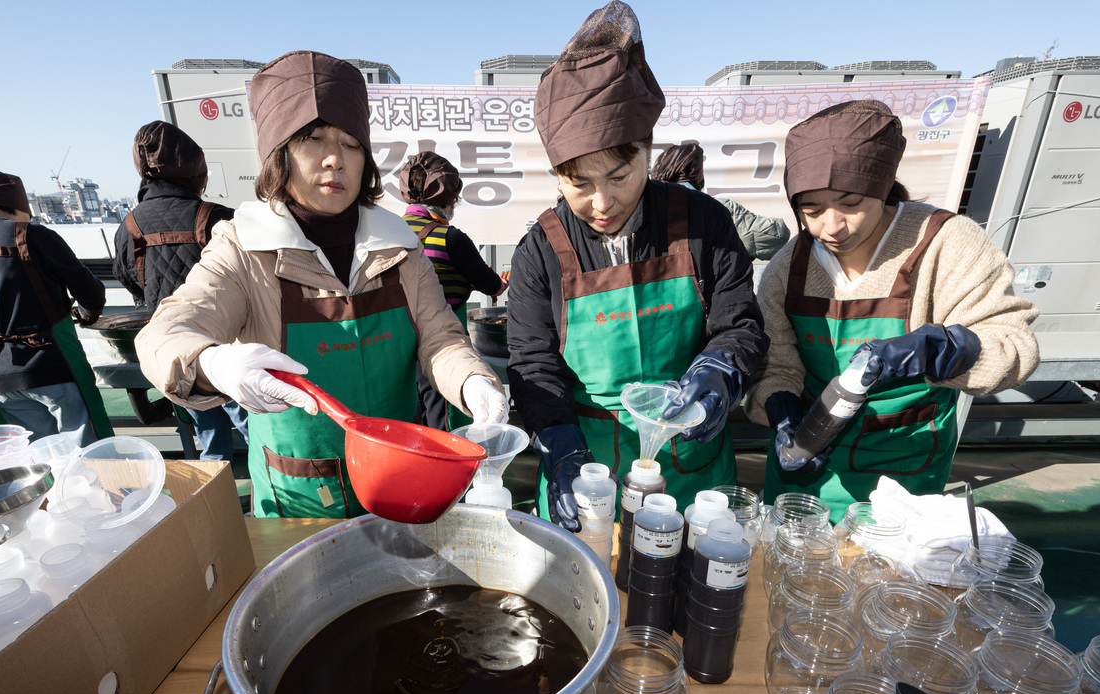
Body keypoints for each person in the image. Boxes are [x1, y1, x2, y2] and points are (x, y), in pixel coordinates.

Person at [136, 50, 507, 519]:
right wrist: (212, 361)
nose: (334, 159)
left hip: (400, 474)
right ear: (280, 154)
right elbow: (163, 335)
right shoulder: (242, 246)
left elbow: (440, 339)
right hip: (300, 489)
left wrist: (474, 382)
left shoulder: (400, 245)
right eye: (313, 140)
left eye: (351, 144)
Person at [506, 1, 769, 531]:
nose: (602, 203)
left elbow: (740, 325)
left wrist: (720, 371)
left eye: (620, 175)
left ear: (647, 151)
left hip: (688, 468)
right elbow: (534, 364)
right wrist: (559, 447)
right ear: (556, 175)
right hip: (587, 465)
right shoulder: (540, 249)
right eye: (579, 184)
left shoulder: (702, 222)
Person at [746, 100, 1040, 520]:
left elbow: (1013, 344)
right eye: (812, 210)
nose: (832, 227)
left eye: (850, 203)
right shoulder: (789, 267)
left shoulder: (944, 242)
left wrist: (941, 349)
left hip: (904, 472)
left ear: (882, 188)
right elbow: (777, 365)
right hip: (804, 472)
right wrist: (780, 409)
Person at [0, 170, 112, 445]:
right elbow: (89, 289)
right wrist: (90, 312)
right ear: (15, 201)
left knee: (36, 461)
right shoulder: (33, 236)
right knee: (89, 457)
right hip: (54, 365)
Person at [114, 121, 248, 462]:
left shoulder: (129, 226)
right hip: (225, 349)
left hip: (175, 353)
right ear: (197, 171)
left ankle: (215, 507)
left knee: (211, 442)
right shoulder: (217, 216)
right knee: (256, 433)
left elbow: (131, 280)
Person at [399, 151, 509, 431]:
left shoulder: (389, 235)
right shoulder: (451, 238)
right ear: (449, 199)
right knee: (442, 420)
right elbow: (491, 285)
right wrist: (500, 283)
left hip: (395, 347)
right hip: (442, 348)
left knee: (408, 419)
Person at [650, 142, 791, 262]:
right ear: (696, 174)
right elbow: (777, 236)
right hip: (710, 292)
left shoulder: (642, 209)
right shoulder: (719, 208)